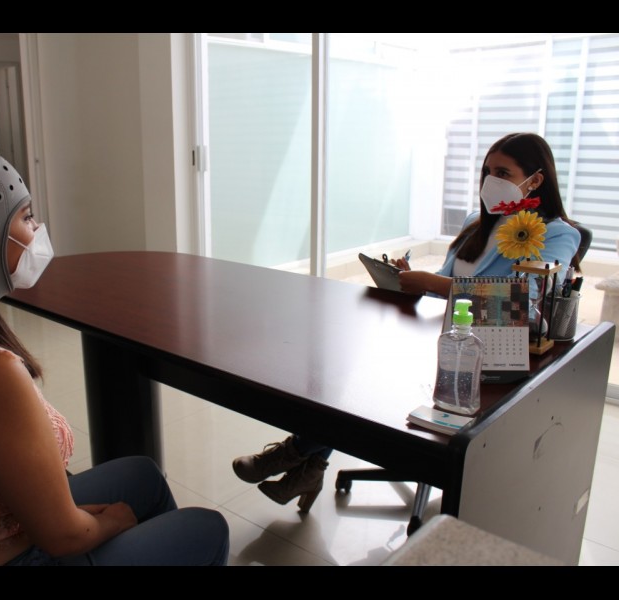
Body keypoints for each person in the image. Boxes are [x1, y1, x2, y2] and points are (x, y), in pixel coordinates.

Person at [0, 142, 229, 566]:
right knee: (208, 527)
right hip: (8, 558)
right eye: (26, 217)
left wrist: (82, 521)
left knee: (143, 475)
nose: (37, 228)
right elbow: (63, 538)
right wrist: (112, 522)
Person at [232, 132, 581, 512]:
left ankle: (293, 454)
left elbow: (524, 298)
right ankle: (308, 467)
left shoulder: (559, 234)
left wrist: (433, 284)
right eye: (486, 171)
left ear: (536, 179)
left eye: (502, 172)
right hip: (435, 333)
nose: (490, 180)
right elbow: (448, 279)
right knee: (345, 375)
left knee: (361, 386)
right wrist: (412, 276)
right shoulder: (475, 222)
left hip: (486, 352)